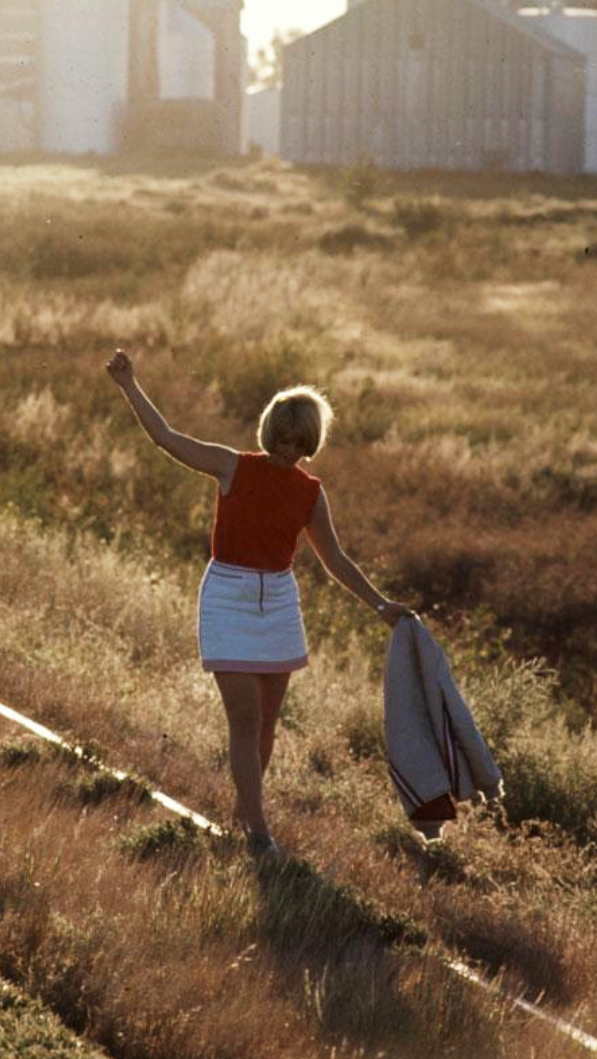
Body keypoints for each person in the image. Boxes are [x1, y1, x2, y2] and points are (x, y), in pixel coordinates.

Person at [106, 348, 413, 857]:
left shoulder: (310, 493)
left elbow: (335, 560)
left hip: (279, 606)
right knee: (245, 723)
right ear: (272, 431)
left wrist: (382, 607)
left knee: (266, 725)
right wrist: (128, 385)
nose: (290, 449)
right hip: (228, 598)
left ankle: (244, 817)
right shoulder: (232, 467)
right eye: (285, 438)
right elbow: (166, 438)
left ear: (311, 441)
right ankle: (260, 836)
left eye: (301, 441)